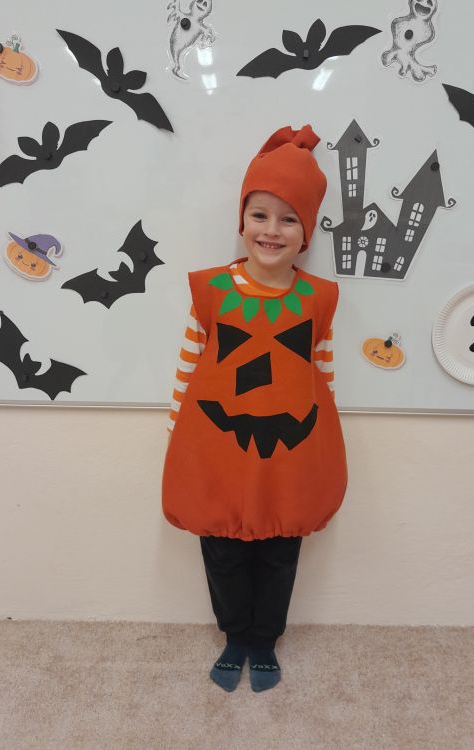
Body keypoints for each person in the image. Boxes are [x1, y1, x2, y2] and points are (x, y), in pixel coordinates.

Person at [162, 124, 347, 693]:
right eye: (260, 214)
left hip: (290, 449)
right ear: (241, 220)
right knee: (220, 549)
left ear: (306, 232)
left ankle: (264, 639)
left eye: (289, 219)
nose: (271, 230)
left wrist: (322, 445)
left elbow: (321, 376)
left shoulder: (318, 299)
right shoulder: (211, 291)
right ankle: (235, 635)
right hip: (216, 446)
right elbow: (190, 365)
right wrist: (178, 437)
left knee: (279, 551)